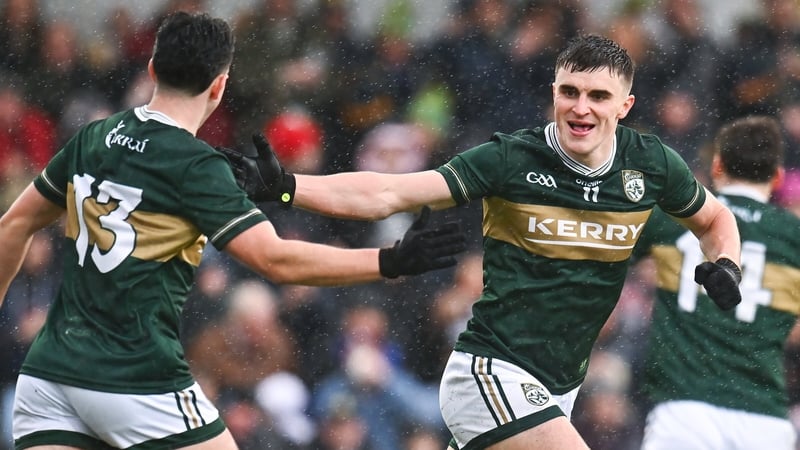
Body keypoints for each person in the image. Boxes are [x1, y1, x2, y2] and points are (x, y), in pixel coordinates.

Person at [221, 33, 743, 449]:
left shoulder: (651, 165)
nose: (580, 108)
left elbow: (717, 219)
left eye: (598, 96)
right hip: (491, 373)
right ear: (554, 93)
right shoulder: (509, 158)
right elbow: (387, 193)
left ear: (624, 105)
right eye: (569, 92)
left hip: (558, 388)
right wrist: (289, 188)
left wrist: (727, 264)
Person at [0, 11, 466, 450]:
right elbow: (276, 260)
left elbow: (14, 224)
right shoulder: (194, 164)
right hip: (133, 375)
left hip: (49, 375)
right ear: (220, 86)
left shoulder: (93, 137)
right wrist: (388, 260)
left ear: (152, 67)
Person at [635, 115, 800, 449]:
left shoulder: (674, 219)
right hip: (765, 416)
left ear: (718, 165)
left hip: (684, 409)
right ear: (778, 176)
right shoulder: (794, 237)